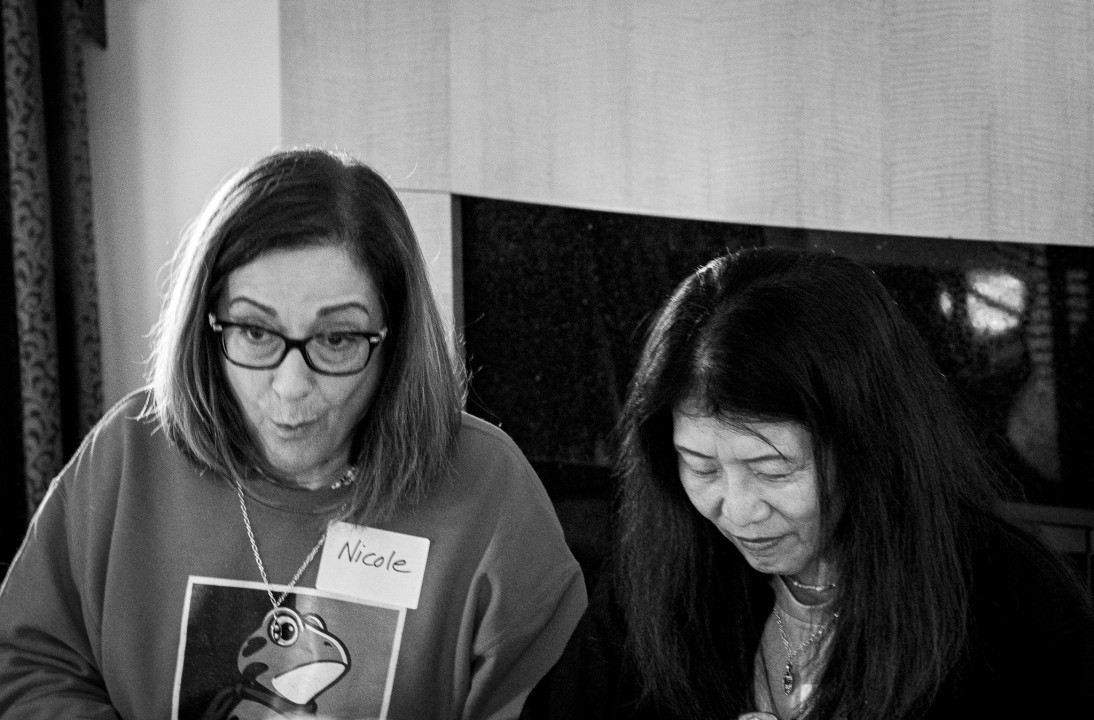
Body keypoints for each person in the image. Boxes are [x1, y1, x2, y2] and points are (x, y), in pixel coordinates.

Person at [0, 148, 586, 719]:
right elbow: (28, 667)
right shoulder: (130, 456)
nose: (290, 387)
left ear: (396, 342)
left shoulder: (490, 492)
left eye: (337, 340)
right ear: (207, 328)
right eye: (256, 332)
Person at [522, 246, 1094, 719]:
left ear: (867, 443)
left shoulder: (1011, 608)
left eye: (773, 470)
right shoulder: (660, 584)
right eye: (700, 467)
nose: (738, 511)